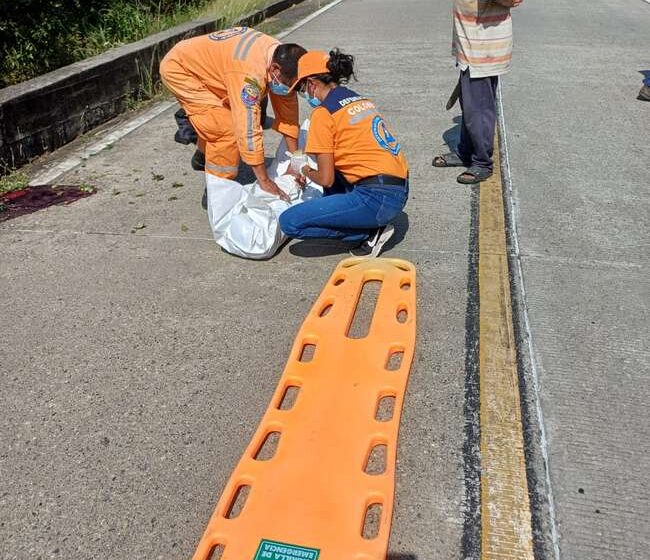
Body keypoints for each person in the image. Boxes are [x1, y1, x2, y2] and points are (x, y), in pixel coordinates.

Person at [278, 50, 409, 258]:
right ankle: (367, 222)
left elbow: (326, 179)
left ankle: (366, 233)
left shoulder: (322, 114)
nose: (305, 95)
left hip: (375, 198)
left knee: (289, 222)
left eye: (302, 89)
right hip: (399, 190)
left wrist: (302, 167)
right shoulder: (357, 99)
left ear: (312, 83)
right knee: (336, 171)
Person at [160, 27, 306, 202]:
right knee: (225, 130)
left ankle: (202, 154)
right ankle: (218, 191)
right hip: (182, 70)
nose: (292, 91)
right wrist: (265, 181)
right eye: (292, 86)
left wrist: (297, 163)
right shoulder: (250, 77)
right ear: (275, 70)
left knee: (227, 116)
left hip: (214, 68)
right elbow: (248, 130)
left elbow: (288, 117)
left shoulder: (283, 59)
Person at [433, 0, 523, 184]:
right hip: (470, 45)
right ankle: (465, 151)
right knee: (469, 103)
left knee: (479, 109)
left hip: (483, 49)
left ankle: (482, 162)